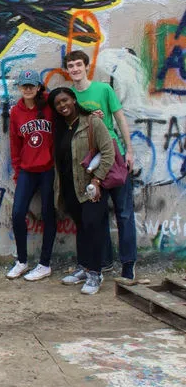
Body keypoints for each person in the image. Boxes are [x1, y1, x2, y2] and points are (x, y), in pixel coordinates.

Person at [65, 50, 136, 283]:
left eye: (78, 65)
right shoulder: (69, 97)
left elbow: (119, 118)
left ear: (87, 66)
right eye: (71, 66)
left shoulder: (104, 90)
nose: (75, 69)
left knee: (124, 213)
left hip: (114, 157)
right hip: (91, 165)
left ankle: (128, 265)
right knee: (99, 216)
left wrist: (129, 150)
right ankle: (103, 263)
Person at [48, 87, 116, 295]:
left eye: (65, 100)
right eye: (58, 103)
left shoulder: (92, 122)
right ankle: (84, 267)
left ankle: (96, 273)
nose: (62, 105)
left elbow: (108, 152)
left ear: (74, 100)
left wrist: (97, 180)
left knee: (92, 226)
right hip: (71, 188)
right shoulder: (60, 127)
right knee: (81, 227)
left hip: (91, 187)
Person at [7, 69, 56, 281]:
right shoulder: (16, 112)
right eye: (24, 85)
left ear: (38, 87)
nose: (27, 89)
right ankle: (22, 261)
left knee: (48, 214)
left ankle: (45, 264)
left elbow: (69, 109)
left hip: (48, 169)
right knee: (18, 213)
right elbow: (14, 145)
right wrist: (18, 172)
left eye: (31, 85)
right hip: (27, 171)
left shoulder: (49, 105)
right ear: (20, 87)